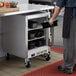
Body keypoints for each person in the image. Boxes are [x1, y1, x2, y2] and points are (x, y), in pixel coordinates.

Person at [49, 0, 76, 74]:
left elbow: (58, 7)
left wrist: (52, 18)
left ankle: (68, 67)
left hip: (71, 14)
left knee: (69, 41)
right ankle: (74, 63)